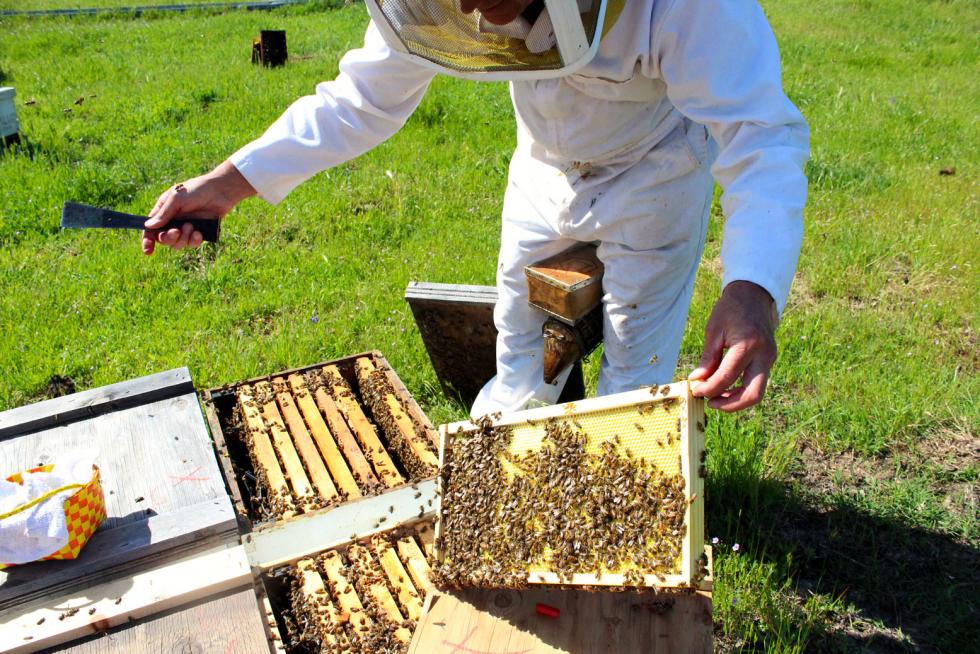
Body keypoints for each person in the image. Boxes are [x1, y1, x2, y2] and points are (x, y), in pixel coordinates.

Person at [142, 0, 808, 417]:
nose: (463, 5)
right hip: (544, 174)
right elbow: (359, 100)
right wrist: (228, 182)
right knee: (526, 361)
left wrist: (753, 291)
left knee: (631, 387)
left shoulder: (692, 8)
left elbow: (760, 134)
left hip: (655, 177)